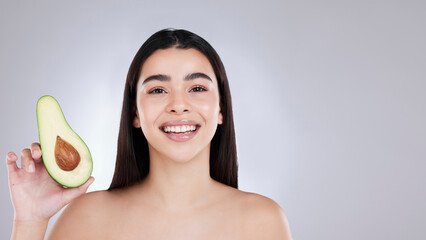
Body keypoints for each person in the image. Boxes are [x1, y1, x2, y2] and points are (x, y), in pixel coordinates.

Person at [6, 28, 292, 239]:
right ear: (134, 113)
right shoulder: (86, 218)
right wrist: (30, 221)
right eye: (157, 90)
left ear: (221, 110)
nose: (179, 105)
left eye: (197, 88)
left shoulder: (263, 221)